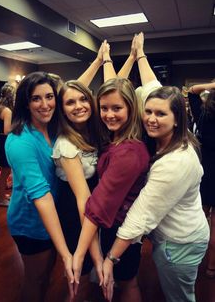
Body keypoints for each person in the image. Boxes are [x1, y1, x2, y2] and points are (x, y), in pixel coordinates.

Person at [102, 33, 210, 302]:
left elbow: (142, 214)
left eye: (160, 114)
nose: (151, 118)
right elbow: (152, 86)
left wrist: (111, 258)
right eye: (148, 111)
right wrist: (139, 55)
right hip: (176, 237)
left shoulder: (176, 160)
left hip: (180, 243)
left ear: (177, 119)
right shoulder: (167, 139)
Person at [73, 55, 150, 302]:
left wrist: (79, 254)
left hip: (120, 229)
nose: (109, 115)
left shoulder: (129, 151)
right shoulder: (115, 139)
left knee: (127, 284)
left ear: (131, 108)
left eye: (117, 108)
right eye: (104, 108)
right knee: (116, 284)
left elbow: (101, 203)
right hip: (113, 226)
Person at [5, 72, 74, 302]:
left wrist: (100, 61)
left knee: (45, 277)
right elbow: (41, 197)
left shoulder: (52, 129)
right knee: (35, 279)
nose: (45, 105)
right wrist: (66, 253)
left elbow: (77, 91)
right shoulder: (20, 140)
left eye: (49, 96)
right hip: (30, 223)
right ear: (26, 102)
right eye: (36, 98)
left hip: (52, 219)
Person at [52, 80, 102, 301]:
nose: (79, 106)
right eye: (70, 102)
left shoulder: (94, 132)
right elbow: (83, 199)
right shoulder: (66, 144)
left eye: (83, 99)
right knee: (78, 272)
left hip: (92, 205)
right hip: (75, 210)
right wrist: (94, 252)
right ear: (62, 110)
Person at [187, 82, 215, 279]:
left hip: (206, 173)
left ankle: (193, 262)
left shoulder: (204, 115)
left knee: (198, 220)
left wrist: (212, 84)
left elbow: (192, 91)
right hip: (208, 173)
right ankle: (212, 267)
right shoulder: (205, 115)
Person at [0, 83, 15, 206]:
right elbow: (7, 130)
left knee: (3, 172)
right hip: (5, 141)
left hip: (0, 140)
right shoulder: (7, 111)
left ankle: (1, 196)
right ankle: (1, 200)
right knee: (5, 172)